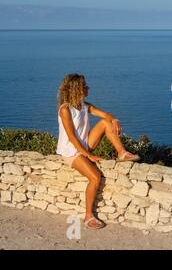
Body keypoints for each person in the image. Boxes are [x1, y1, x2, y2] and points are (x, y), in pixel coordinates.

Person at [56, 74, 140, 230]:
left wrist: (114, 119)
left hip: (83, 145)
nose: (88, 88)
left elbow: (106, 115)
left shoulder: (84, 105)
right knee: (95, 177)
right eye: (85, 86)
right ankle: (88, 216)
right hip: (71, 151)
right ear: (77, 89)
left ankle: (122, 153)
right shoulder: (65, 110)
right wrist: (89, 155)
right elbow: (72, 138)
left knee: (105, 123)